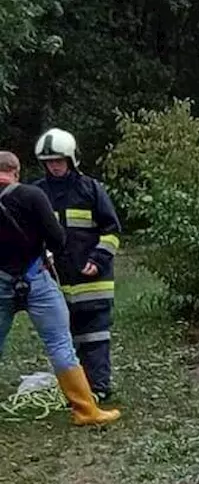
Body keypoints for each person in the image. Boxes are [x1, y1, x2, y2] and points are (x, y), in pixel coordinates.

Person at [0, 151, 120, 426]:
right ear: (16, 172)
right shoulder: (32, 195)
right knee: (60, 344)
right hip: (36, 278)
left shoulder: (70, 188)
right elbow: (57, 239)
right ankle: (86, 411)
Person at [31, 128, 121, 401]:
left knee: (94, 337)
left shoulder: (91, 189)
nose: (54, 166)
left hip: (92, 280)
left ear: (71, 159)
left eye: (59, 160)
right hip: (56, 280)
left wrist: (98, 259)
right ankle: (76, 391)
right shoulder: (36, 193)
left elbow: (112, 231)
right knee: (64, 340)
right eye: (49, 162)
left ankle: (99, 388)